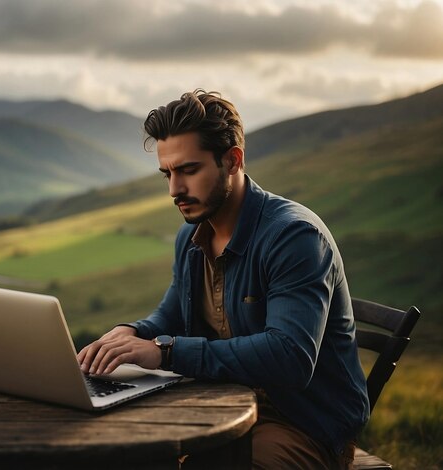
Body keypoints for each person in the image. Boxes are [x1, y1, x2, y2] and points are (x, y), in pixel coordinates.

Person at [77, 90, 369, 469]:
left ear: (232, 160)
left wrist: (165, 352)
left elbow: (290, 357)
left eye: (188, 170)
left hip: (301, 424)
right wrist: (130, 333)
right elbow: (171, 317)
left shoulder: (294, 237)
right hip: (217, 408)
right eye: (167, 173)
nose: (174, 190)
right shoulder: (191, 237)